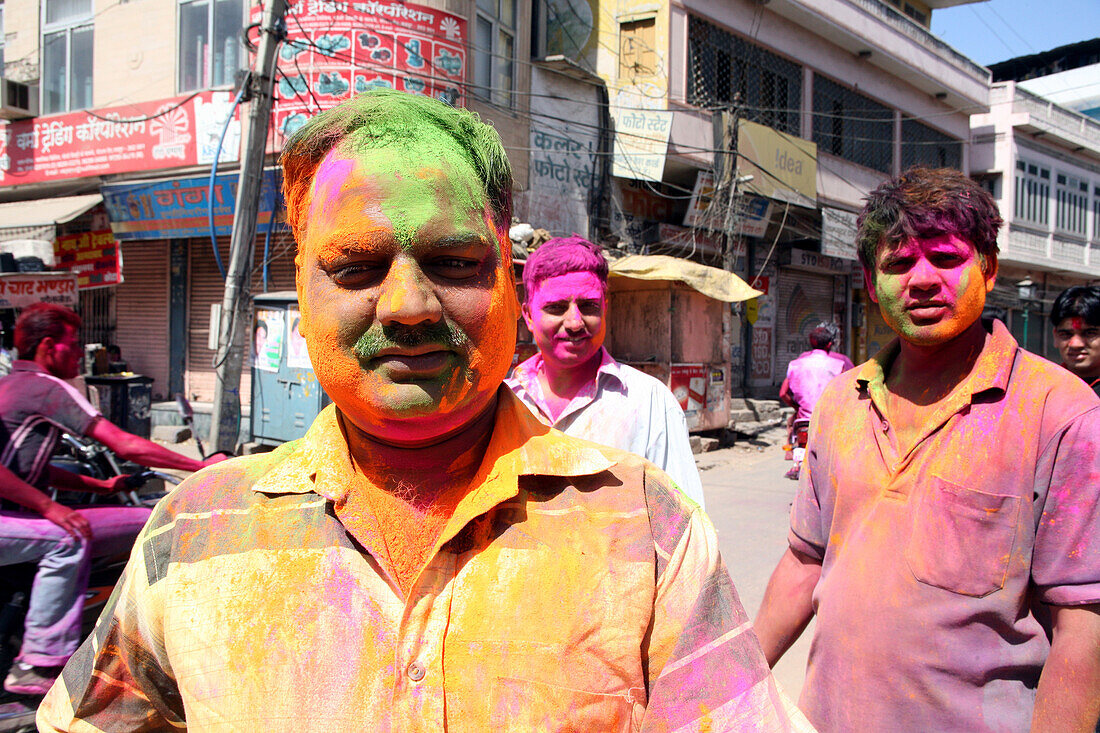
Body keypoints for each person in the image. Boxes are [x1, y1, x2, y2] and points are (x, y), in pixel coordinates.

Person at [39, 90, 809, 731]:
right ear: (301, 294)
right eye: (357, 267)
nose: (408, 306)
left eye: (452, 263)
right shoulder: (194, 531)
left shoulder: (649, 528)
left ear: (507, 278)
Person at [754, 167, 1100, 732]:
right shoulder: (844, 402)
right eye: (898, 264)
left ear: (987, 269)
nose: (920, 281)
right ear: (872, 284)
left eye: (944, 259)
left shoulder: (1061, 413)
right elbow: (804, 561)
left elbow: (1082, 623)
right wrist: (723, 686)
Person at [0, 303, 222, 697]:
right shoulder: (45, 386)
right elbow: (123, 443)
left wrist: (99, 487)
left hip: (12, 514)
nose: (81, 351)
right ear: (49, 346)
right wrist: (200, 466)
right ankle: (39, 662)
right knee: (117, 527)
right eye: (74, 343)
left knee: (85, 521)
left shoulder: (11, 385)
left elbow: (25, 469)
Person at [506, 235, 705, 507]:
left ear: (605, 309)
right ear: (528, 315)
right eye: (556, 308)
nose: (575, 322)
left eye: (588, 306)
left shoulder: (650, 403)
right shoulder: (503, 401)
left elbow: (684, 523)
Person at [778, 323, 853, 479]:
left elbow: (783, 393)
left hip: (803, 419)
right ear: (830, 343)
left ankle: (795, 459)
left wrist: (796, 407)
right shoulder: (839, 364)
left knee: (793, 425)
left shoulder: (796, 363)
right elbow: (849, 391)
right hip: (829, 419)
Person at [1049, 285, 1100, 396]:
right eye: (1066, 334)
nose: (1076, 344)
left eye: (1090, 333)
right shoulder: (1041, 389)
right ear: (1055, 336)